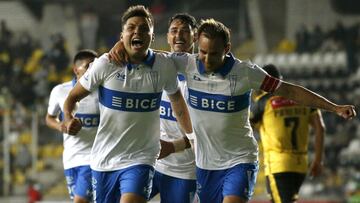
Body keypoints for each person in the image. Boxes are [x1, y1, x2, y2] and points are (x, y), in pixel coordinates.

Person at [110, 18, 356, 203]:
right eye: (203, 52)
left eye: (213, 54)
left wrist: (333, 107)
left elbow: (290, 91)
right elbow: (149, 55)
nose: (206, 60)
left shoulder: (246, 72)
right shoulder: (188, 63)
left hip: (240, 160)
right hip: (205, 166)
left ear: (227, 49)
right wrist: (121, 45)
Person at [63, 5, 192, 203]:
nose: (137, 32)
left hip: (141, 158)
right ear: (121, 35)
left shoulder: (163, 65)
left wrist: (192, 138)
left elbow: (178, 104)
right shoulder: (105, 64)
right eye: (131, 27)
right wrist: (69, 117)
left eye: (143, 28)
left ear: (152, 35)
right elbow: (72, 98)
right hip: (104, 159)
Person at [250, 64, 326, 203]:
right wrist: (318, 160)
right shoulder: (302, 99)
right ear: (281, 80)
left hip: (278, 164)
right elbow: (320, 127)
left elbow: (247, 125)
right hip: (301, 164)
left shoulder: (263, 102)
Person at [149, 13, 197, 203]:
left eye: (185, 31)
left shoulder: (202, 77)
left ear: (195, 36)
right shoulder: (155, 67)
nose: (179, 35)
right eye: (174, 31)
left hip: (184, 171)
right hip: (150, 162)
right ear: (167, 36)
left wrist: (172, 147)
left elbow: (205, 130)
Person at [45, 49, 99, 203]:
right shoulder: (60, 91)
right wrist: (60, 126)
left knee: (80, 201)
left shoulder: (103, 92)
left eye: (95, 67)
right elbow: (49, 117)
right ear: (76, 69)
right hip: (70, 159)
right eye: (88, 66)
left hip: (93, 159)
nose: (92, 70)